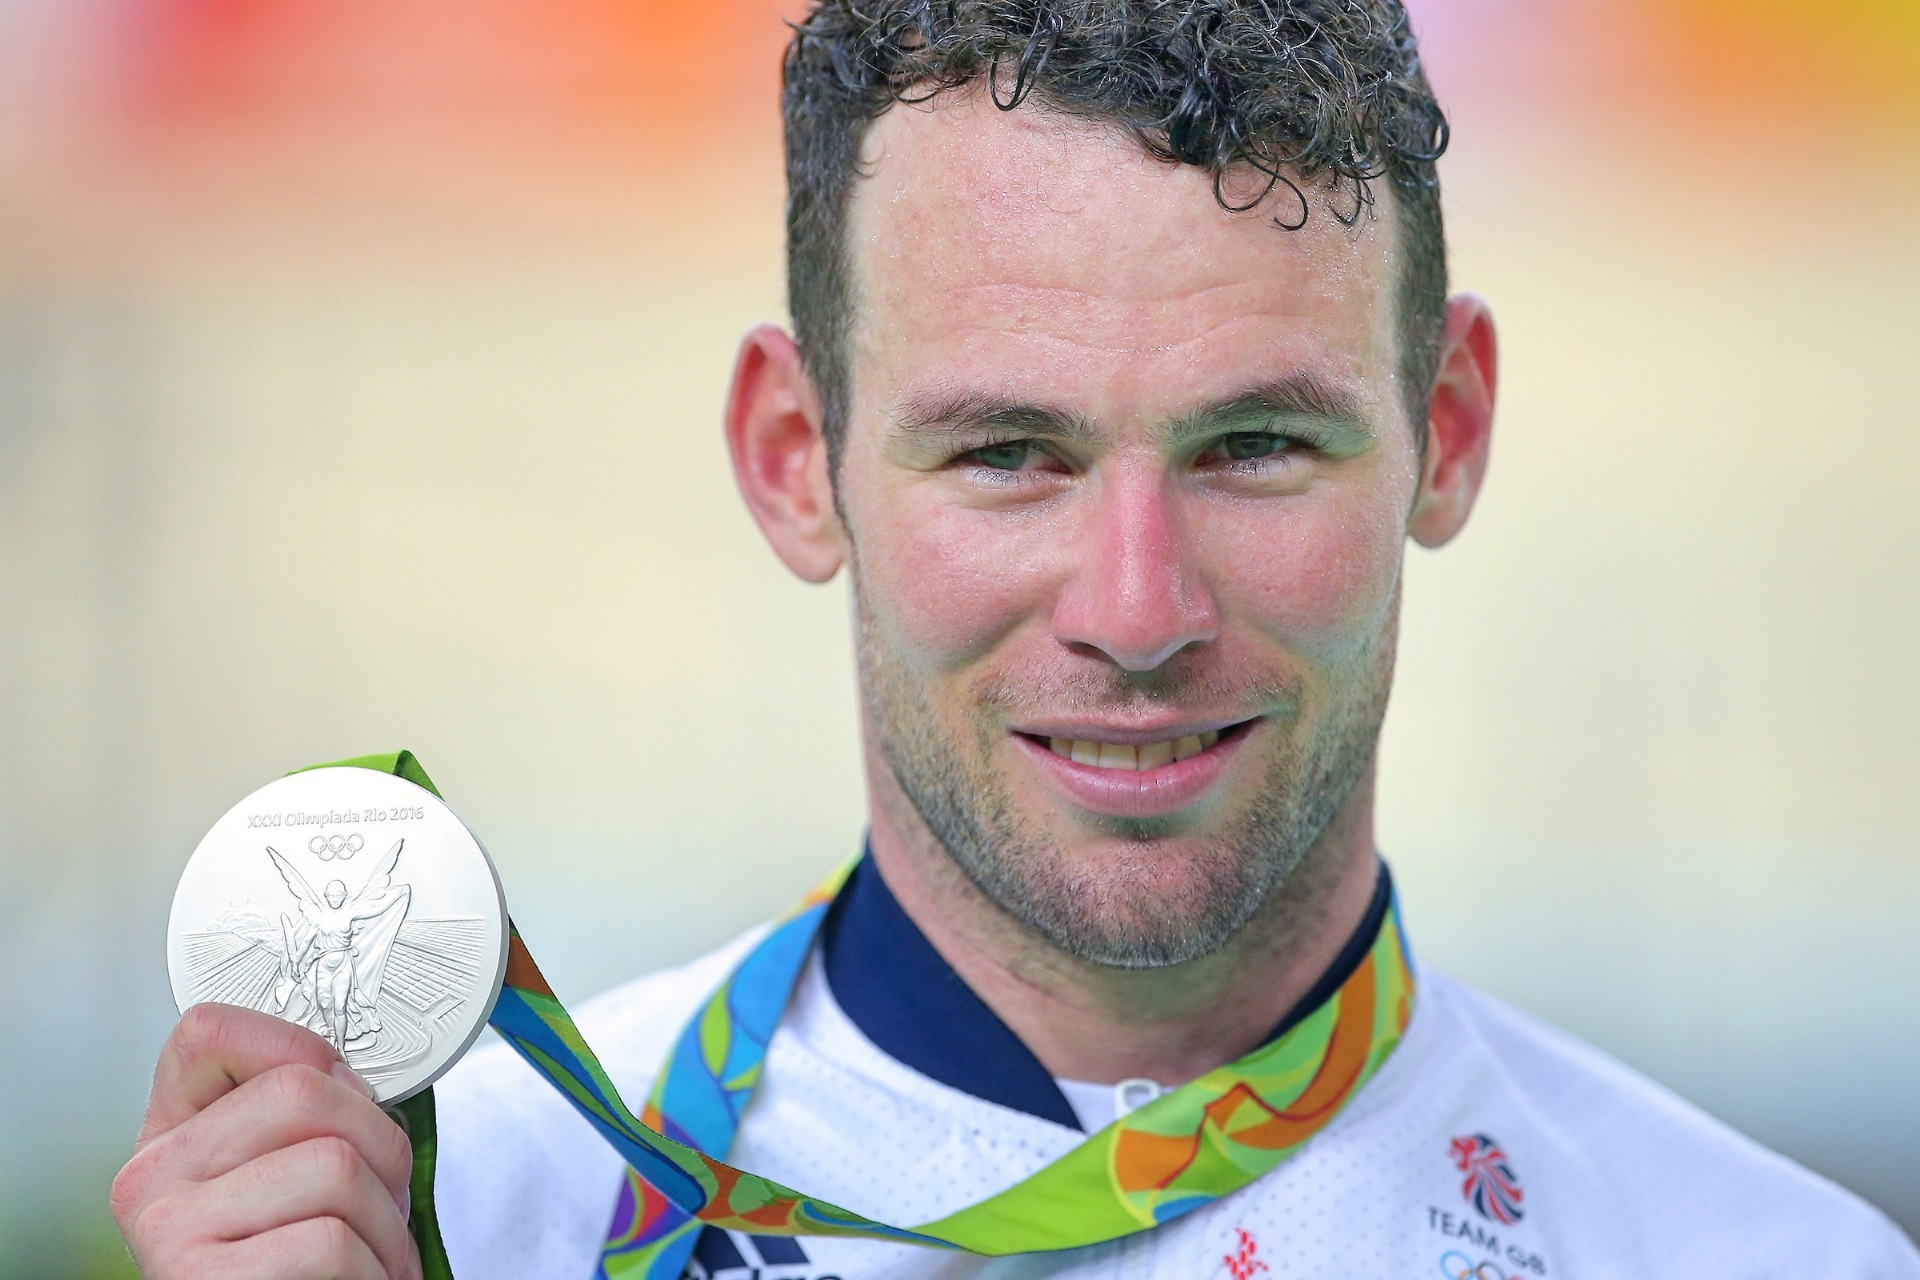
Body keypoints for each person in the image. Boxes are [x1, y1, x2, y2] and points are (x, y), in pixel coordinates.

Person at [110, 3, 1920, 1278]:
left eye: (1255, 446)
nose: (1136, 610)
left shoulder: (1767, 1261)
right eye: (1007, 455)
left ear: (1446, 427)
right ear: (792, 459)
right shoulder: (451, 1228)